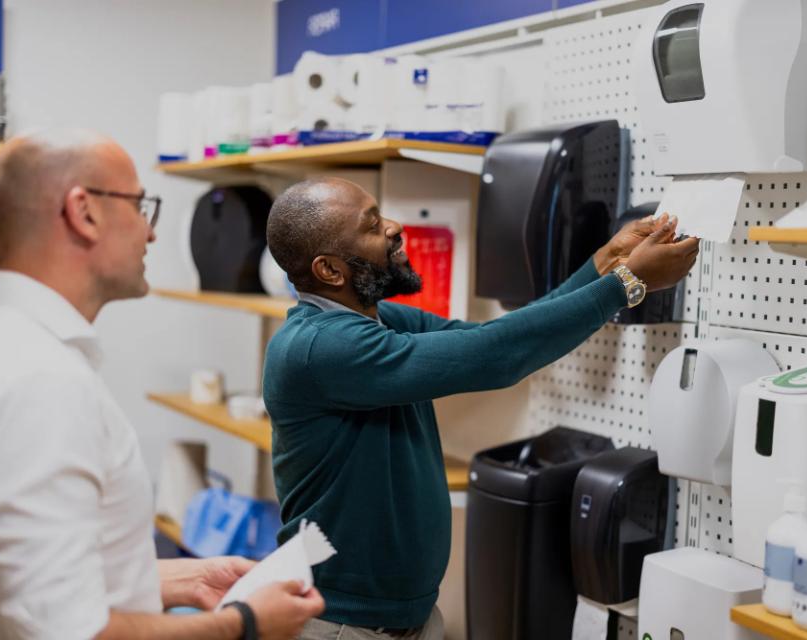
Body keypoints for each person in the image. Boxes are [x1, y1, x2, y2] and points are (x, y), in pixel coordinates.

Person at [263, 177, 700, 638]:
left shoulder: (377, 321)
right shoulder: (319, 349)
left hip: (399, 618)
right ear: (330, 271)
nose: (394, 228)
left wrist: (603, 264)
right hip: (339, 624)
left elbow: (497, 338)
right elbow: (495, 358)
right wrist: (625, 285)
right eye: (372, 226)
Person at [0, 130, 324, 640]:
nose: (150, 234)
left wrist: (186, 577)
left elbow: (34, 575)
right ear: (84, 212)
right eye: (139, 206)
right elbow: (72, 633)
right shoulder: (38, 380)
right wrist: (244, 625)